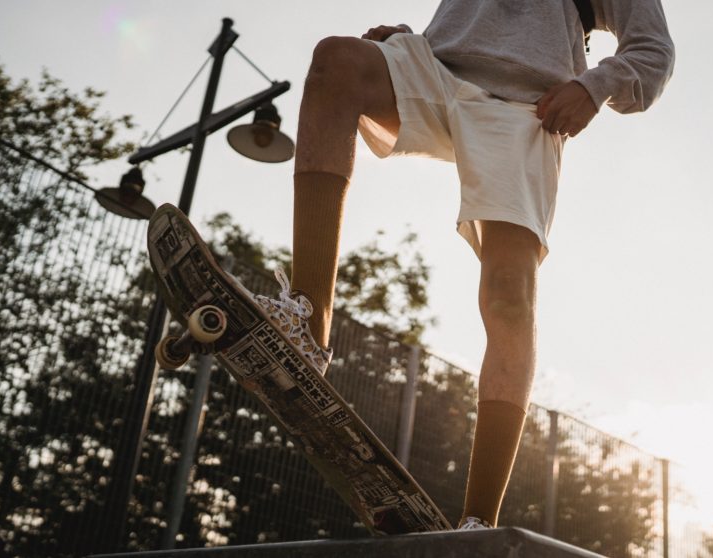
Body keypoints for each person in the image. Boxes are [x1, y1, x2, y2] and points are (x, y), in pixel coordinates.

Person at [252, 0, 674, 529]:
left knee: (508, 295)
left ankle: (478, 522)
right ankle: (306, 328)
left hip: (526, 109)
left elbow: (653, 50)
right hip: (436, 73)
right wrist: (413, 40)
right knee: (337, 62)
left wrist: (594, 85)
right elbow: (475, 28)